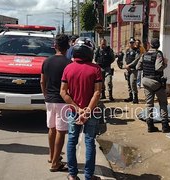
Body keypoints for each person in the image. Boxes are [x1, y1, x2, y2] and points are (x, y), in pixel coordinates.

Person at [60, 37, 102, 180]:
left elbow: (63, 92)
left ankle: (72, 175)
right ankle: (89, 177)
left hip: (73, 112)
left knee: (72, 140)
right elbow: (97, 93)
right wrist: (87, 111)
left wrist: (78, 110)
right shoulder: (96, 69)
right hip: (91, 112)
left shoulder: (68, 68)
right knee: (89, 142)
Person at [40, 34, 70, 171]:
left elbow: (42, 81)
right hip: (62, 101)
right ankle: (55, 164)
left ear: (55, 46)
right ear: (67, 47)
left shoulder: (46, 61)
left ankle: (51, 156)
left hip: (49, 100)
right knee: (61, 131)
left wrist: (46, 95)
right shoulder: (69, 63)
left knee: (51, 128)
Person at [136, 38, 170, 133]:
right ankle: (165, 126)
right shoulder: (158, 54)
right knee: (163, 103)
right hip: (156, 82)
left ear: (150, 45)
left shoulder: (144, 54)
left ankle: (150, 125)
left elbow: (138, 67)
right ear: (158, 45)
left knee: (149, 104)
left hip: (146, 80)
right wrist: (165, 64)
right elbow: (158, 67)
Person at [123, 37, 141, 104]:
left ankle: (135, 98)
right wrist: (125, 65)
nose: (131, 44)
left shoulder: (137, 51)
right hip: (127, 69)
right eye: (130, 43)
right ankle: (130, 96)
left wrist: (129, 65)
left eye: (132, 42)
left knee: (132, 83)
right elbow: (124, 59)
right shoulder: (127, 51)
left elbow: (136, 60)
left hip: (133, 69)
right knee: (128, 84)